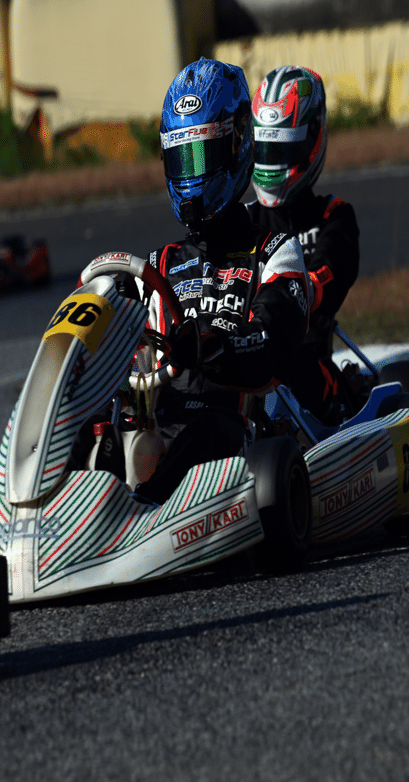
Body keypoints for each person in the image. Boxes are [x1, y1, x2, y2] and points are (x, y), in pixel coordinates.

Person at [133, 58, 310, 504]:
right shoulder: (156, 266)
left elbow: (274, 338)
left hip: (242, 437)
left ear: (236, 146)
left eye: (202, 156)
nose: (191, 173)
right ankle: (39, 514)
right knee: (102, 427)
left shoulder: (274, 252)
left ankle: (143, 511)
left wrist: (212, 345)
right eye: (180, 158)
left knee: (209, 428)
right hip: (162, 431)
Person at [245, 65, 360, 424]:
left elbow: (331, 271)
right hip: (240, 361)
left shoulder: (333, 216)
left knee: (283, 353)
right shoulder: (244, 223)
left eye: (283, 150)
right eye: (265, 149)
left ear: (313, 139)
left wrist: (298, 291)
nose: (271, 163)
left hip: (308, 370)